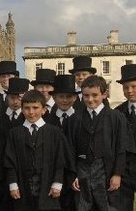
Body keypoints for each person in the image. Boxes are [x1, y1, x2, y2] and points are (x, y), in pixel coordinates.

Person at [70, 75, 126, 211]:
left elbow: (121, 147)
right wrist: (73, 175)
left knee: (106, 206)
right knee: (83, 206)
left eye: (95, 95)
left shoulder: (116, 117)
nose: (90, 99)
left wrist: (117, 174)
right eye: (86, 95)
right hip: (82, 168)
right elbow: (70, 149)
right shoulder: (74, 118)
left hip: (106, 170)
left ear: (104, 94)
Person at [4, 89, 66, 211]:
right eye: (27, 108)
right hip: (23, 186)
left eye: (35, 107)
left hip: (47, 185)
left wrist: (57, 183)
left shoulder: (54, 132)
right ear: (22, 110)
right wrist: (13, 184)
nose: (31, 112)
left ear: (44, 110)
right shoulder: (15, 133)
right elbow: (10, 161)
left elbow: (60, 160)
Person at [0, 77, 29, 211]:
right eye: (12, 97)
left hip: (22, 173)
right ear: (7, 98)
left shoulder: (28, 120)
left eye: (19, 98)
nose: (15, 101)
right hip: (1, 173)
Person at [115, 64, 136, 211]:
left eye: (133, 86)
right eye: (125, 87)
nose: (129, 91)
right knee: (122, 206)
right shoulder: (117, 112)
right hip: (124, 168)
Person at [46, 74, 79, 211]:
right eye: (61, 96)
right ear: (54, 98)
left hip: (77, 176)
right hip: (54, 177)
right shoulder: (47, 121)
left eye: (69, 97)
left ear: (75, 98)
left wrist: (77, 174)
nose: (65, 100)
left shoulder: (83, 119)